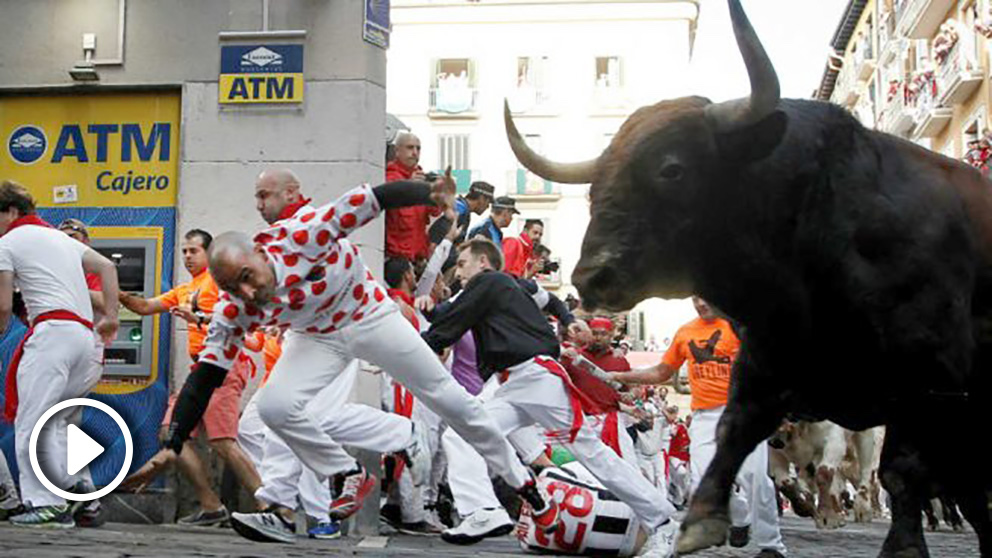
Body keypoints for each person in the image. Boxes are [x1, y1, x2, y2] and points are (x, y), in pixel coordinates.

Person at [124, 171, 556, 544]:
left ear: (260, 252)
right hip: (317, 338)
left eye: (249, 279)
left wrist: (430, 193)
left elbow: (373, 199)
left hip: (369, 316)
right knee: (274, 406)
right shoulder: (236, 309)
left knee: (444, 395)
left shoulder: (305, 231)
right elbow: (205, 378)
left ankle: (523, 483)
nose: (251, 294)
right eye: (236, 289)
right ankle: (346, 472)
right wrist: (172, 443)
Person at [421, 238, 680, 557]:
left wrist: (404, 351)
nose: (458, 272)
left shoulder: (486, 281)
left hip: (535, 377)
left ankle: (663, 522)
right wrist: (570, 321)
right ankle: (483, 510)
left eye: (462, 264)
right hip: (517, 382)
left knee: (592, 453)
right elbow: (552, 303)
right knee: (463, 435)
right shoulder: (512, 284)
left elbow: (445, 325)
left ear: (483, 263)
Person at [610, 296, 787, 558]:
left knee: (755, 478)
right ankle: (740, 517)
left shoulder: (739, 328)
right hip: (704, 416)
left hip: (743, 411)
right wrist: (622, 376)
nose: (701, 304)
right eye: (695, 299)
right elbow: (661, 372)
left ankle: (772, 546)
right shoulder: (686, 332)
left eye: (706, 298)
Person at [119, 228, 260, 526]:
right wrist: (110, 290)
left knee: (223, 442)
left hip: (224, 367)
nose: (186, 256)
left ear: (209, 254)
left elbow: (247, 328)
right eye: (184, 251)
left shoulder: (220, 282)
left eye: (193, 251)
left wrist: (201, 320)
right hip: (200, 371)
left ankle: (271, 506)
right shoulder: (185, 290)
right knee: (171, 432)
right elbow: (144, 307)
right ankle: (211, 505)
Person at [0, 181, 119, 527]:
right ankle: (83, 496)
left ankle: (45, 503)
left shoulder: (7, 242)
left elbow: (4, 306)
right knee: (58, 425)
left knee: (31, 422)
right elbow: (108, 269)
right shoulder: (60, 238)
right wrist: (111, 317)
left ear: (10, 212)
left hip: (52, 336)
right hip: (84, 339)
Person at [384, 132, 440, 261]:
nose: (415, 152)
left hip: (418, 259)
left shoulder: (422, 179)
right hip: (395, 260)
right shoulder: (389, 179)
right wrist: (410, 186)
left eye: (418, 148)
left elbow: (435, 212)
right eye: (410, 147)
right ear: (397, 151)